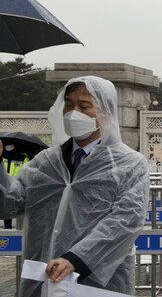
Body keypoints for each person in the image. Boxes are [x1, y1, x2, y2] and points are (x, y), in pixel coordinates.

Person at [0, 76, 150, 296]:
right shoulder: (45, 162)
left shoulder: (129, 163)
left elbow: (127, 220)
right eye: (68, 105)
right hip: (42, 279)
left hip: (98, 284)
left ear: (106, 112)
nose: (73, 112)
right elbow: (8, 205)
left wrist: (76, 259)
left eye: (84, 106)